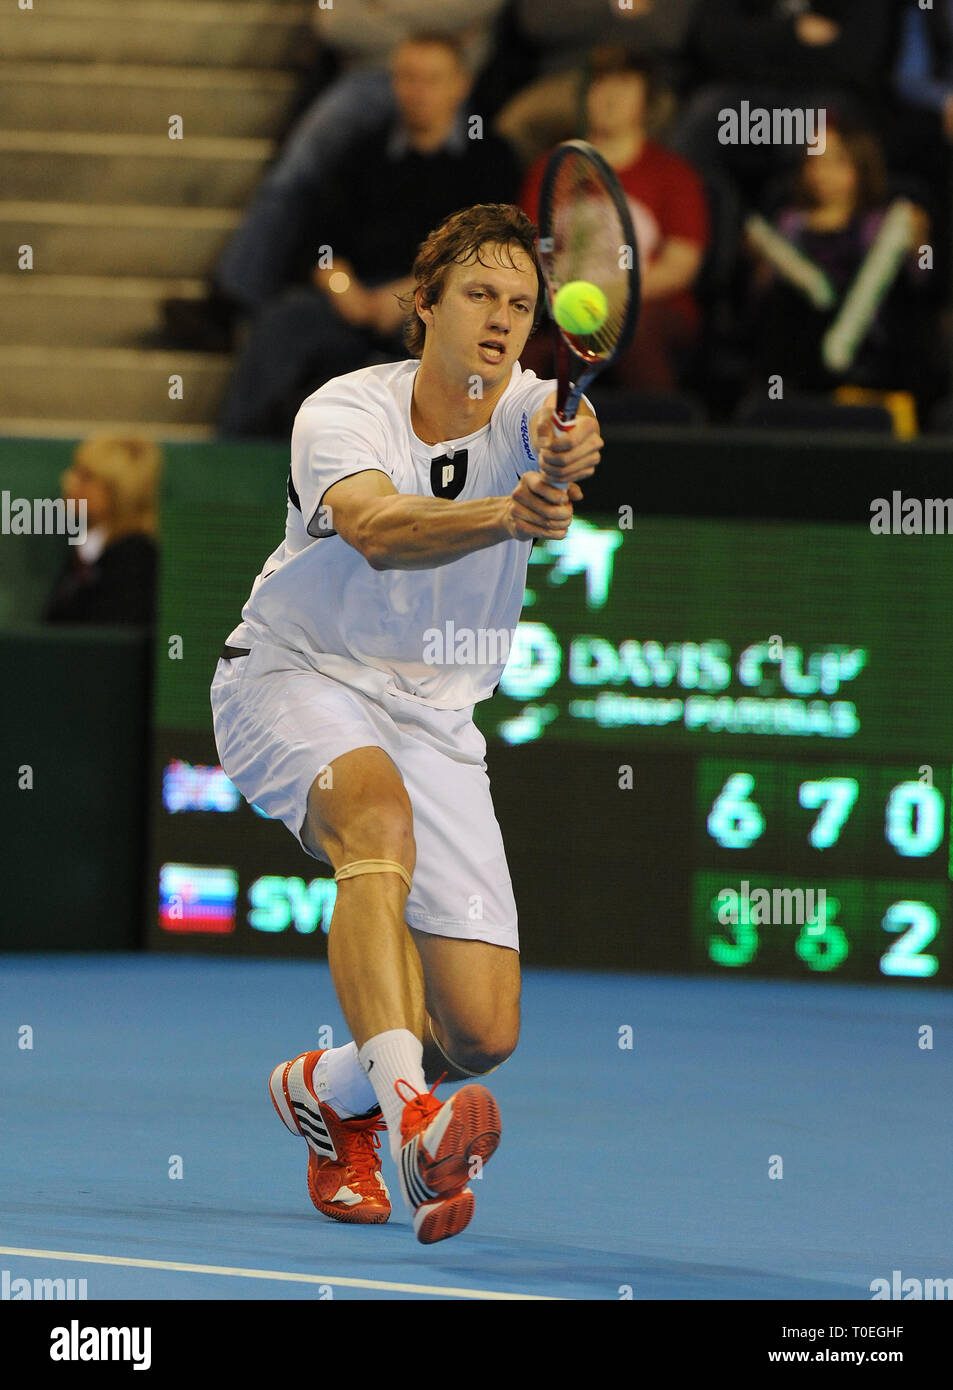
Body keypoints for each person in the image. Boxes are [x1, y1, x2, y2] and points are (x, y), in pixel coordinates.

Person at [209, 203, 603, 1244]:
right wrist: (506, 514)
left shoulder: (526, 407)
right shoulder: (339, 411)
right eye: (477, 294)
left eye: (520, 305)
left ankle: (325, 1091)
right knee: (373, 828)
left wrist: (566, 452)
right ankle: (407, 1118)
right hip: (292, 674)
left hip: (433, 716)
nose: (499, 320)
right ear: (421, 304)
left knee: (481, 1028)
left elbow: (557, 436)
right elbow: (380, 529)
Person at [216, 33, 521, 437]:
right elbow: (319, 241)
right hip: (354, 298)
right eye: (408, 78)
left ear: (460, 85)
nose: (418, 92)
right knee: (282, 322)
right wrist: (344, 289)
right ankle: (233, 453)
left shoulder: (491, 161)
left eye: (432, 79)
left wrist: (410, 295)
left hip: (434, 304)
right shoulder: (363, 151)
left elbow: (486, 254)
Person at [520, 49, 709, 393]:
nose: (609, 97)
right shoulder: (552, 167)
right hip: (562, 310)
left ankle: (655, 436)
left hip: (647, 307)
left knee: (636, 332)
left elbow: (681, 264)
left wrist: (608, 297)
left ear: (646, 101)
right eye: (599, 85)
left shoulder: (673, 174)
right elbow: (530, 253)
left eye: (623, 85)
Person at [743, 122, 931, 397]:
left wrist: (921, 246)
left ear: (861, 167)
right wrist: (759, 261)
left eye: (836, 162)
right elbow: (760, 295)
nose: (823, 173)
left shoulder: (881, 224)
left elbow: (924, 274)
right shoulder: (790, 224)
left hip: (867, 337)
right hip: (800, 341)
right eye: (815, 162)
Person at [43, 434, 161, 626]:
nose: (69, 481)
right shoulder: (84, 551)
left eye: (86, 477)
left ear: (117, 491)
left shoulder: (135, 558)